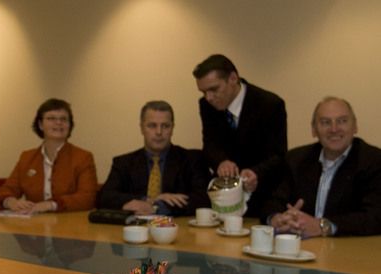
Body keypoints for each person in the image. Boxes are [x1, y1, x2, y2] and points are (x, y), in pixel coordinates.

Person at [262, 97, 381, 237]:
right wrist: (277, 219)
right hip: (300, 249)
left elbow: (374, 217)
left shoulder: (373, 161)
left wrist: (323, 226)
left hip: (349, 252)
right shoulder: (296, 159)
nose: (334, 129)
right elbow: (272, 201)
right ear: (314, 130)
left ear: (355, 127)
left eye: (342, 121)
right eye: (325, 122)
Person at [193, 54, 287, 217]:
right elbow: (210, 144)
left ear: (233, 78)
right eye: (203, 92)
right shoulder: (206, 105)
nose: (209, 98)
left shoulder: (270, 104)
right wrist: (221, 161)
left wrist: (256, 172)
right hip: (224, 198)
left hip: (263, 197)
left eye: (214, 89)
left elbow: (278, 155)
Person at [97, 101, 210, 216]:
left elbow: (203, 199)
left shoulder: (192, 159)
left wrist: (158, 207)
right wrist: (148, 200)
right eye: (152, 126)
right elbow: (104, 197)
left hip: (177, 230)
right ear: (142, 128)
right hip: (135, 229)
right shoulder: (123, 163)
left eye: (165, 126)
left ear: (172, 128)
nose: (159, 132)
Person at [0, 98, 97, 213]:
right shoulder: (27, 157)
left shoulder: (83, 157)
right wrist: (10, 201)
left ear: (70, 125)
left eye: (64, 119)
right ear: (40, 125)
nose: (58, 123)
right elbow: (6, 190)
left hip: (69, 225)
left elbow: (87, 198)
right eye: (51, 118)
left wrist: (50, 205)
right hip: (34, 225)